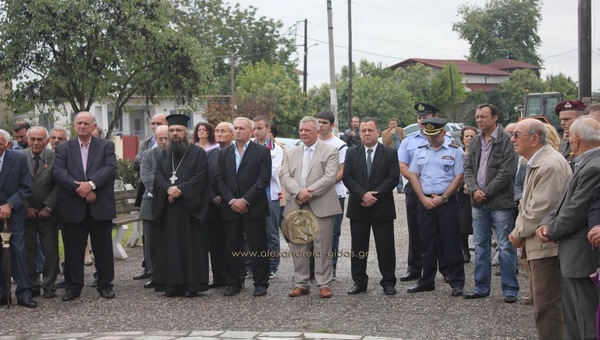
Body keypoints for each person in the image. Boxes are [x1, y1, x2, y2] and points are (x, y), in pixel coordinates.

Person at [536, 116, 600, 339]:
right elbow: (566, 202)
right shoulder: (586, 162)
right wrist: (547, 223)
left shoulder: (594, 166)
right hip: (574, 253)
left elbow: (576, 211)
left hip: (582, 254)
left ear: (575, 139)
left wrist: (551, 231)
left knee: (586, 319)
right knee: (574, 317)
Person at [507, 119, 571, 339]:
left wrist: (517, 232)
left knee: (547, 306)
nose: (512, 139)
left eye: (517, 135)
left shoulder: (550, 163)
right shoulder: (538, 161)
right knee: (541, 303)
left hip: (548, 246)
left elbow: (541, 208)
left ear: (534, 139)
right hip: (539, 244)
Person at [54, 111, 117, 301]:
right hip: (73, 207)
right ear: (74, 126)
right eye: (79, 123)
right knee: (73, 250)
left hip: (100, 206)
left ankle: (105, 285)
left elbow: (110, 169)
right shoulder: (64, 148)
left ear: (93, 126)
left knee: (103, 249)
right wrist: (80, 189)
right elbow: (59, 172)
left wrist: (91, 185)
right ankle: (73, 287)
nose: (82, 126)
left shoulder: (106, 145)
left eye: (86, 123)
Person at [463, 103, 519, 303]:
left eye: (483, 117)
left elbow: (507, 171)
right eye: (477, 117)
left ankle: (510, 289)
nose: (479, 120)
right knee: (480, 245)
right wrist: (474, 189)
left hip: (501, 203)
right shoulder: (476, 140)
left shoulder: (506, 140)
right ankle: (481, 287)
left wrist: (484, 191)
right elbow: (468, 167)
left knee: (505, 246)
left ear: (495, 117)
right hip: (478, 204)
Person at [281, 116, 341, 299]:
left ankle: (324, 284)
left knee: (322, 246)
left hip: (321, 204)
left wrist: (309, 192)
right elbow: (284, 175)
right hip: (296, 205)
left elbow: (330, 177)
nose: (303, 133)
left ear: (317, 131)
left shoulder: (331, 151)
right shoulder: (291, 153)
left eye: (307, 130)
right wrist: (299, 192)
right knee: (298, 246)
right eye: (301, 130)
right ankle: (301, 283)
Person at [406, 118, 465, 297]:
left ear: (444, 133)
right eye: (428, 135)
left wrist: (443, 197)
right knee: (426, 242)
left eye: (434, 135)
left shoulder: (456, 151)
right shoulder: (420, 151)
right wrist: (423, 198)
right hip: (425, 203)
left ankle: (456, 281)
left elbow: (459, 177)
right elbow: (414, 175)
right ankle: (426, 280)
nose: (430, 139)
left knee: (451, 243)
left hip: (447, 202)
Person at [152, 114, 209, 297]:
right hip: (168, 210)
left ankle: (192, 285)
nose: (175, 133)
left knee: (190, 247)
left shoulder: (198, 153)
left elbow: (201, 176)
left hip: (189, 209)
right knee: (170, 248)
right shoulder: (163, 154)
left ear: (186, 132)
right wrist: (168, 189)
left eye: (179, 130)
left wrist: (180, 189)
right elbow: (158, 176)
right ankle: (171, 285)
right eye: (171, 130)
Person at [215, 117, 271, 297]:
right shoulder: (224, 153)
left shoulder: (261, 152)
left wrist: (245, 200)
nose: (238, 131)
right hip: (230, 208)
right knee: (232, 246)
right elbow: (219, 179)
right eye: (236, 128)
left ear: (251, 130)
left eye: (241, 128)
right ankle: (234, 282)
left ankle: (260, 283)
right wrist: (232, 200)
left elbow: (263, 179)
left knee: (258, 246)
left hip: (253, 207)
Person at [343, 117, 399, 296]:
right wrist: (362, 195)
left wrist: (374, 195)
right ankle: (359, 282)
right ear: (359, 133)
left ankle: (388, 281)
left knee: (386, 247)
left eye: (370, 130)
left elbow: (392, 178)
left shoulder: (389, 153)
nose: (366, 134)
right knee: (358, 247)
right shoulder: (352, 153)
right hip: (358, 206)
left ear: (378, 132)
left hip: (381, 206)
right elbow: (347, 178)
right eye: (363, 131)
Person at [397, 102, 452, 282]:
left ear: (434, 118)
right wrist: (416, 180)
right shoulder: (409, 141)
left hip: (440, 191)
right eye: (419, 118)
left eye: (425, 118)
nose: (421, 121)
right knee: (415, 230)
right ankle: (415, 268)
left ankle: (446, 269)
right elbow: (402, 165)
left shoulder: (449, 139)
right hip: (415, 190)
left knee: (443, 231)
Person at [0, 129, 36, 308]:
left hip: (14, 214)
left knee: (18, 251)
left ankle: (24, 293)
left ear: (7, 145)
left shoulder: (19, 159)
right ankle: (2, 293)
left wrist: (9, 205)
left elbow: (25, 187)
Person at [23, 127, 60, 299]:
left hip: (48, 213)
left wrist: (48, 207)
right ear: (27, 139)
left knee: (50, 251)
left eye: (40, 139)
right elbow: (12, 183)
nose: (36, 143)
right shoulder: (19, 157)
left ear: (46, 141)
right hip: (25, 212)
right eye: (33, 139)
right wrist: (25, 207)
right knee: (28, 250)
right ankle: (32, 284)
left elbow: (59, 185)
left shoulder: (55, 157)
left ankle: (49, 285)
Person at [132, 113, 167, 281]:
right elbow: (144, 174)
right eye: (152, 123)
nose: (163, 141)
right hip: (151, 199)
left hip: (172, 202)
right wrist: (166, 191)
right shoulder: (146, 148)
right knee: (150, 240)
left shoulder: (178, 152)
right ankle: (152, 272)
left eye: (158, 123)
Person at [316, 110, 347, 279]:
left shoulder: (340, 145)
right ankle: (312, 269)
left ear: (332, 125)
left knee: (332, 234)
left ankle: (331, 268)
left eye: (324, 123)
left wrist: (321, 186)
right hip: (312, 195)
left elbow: (342, 172)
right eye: (319, 122)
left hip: (334, 194)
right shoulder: (310, 143)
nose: (320, 126)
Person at [253, 116, 283, 279]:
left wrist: (251, 174)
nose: (256, 132)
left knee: (271, 232)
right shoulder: (249, 146)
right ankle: (251, 264)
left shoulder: (276, 149)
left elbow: (271, 172)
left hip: (269, 195)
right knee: (251, 232)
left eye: (260, 128)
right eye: (255, 129)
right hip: (252, 195)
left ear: (268, 130)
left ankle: (272, 264)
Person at [205, 122, 234, 288]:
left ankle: (233, 277)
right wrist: (212, 196)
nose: (219, 133)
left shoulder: (235, 153)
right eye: (217, 130)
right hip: (212, 205)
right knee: (215, 244)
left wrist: (224, 198)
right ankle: (218, 277)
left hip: (230, 204)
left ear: (231, 134)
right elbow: (204, 177)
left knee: (231, 243)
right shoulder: (210, 154)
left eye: (223, 131)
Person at [458, 126, 477, 263]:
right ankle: (464, 251)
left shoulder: (480, 153)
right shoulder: (458, 153)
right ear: (462, 138)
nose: (469, 138)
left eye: (472, 136)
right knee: (462, 224)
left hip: (477, 192)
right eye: (467, 136)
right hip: (462, 194)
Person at [557, 100, 586, 169]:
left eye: (566, 119)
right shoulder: (564, 143)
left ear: (580, 119)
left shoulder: (587, 143)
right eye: (561, 119)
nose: (562, 123)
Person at [381, 117, 405, 193]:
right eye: (391, 124)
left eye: (394, 124)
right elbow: (385, 142)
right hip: (390, 154)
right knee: (389, 171)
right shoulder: (385, 133)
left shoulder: (400, 130)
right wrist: (391, 133)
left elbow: (404, 139)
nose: (393, 125)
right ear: (389, 125)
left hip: (400, 153)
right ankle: (387, 187)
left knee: (398, 170)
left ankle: (400, 187)